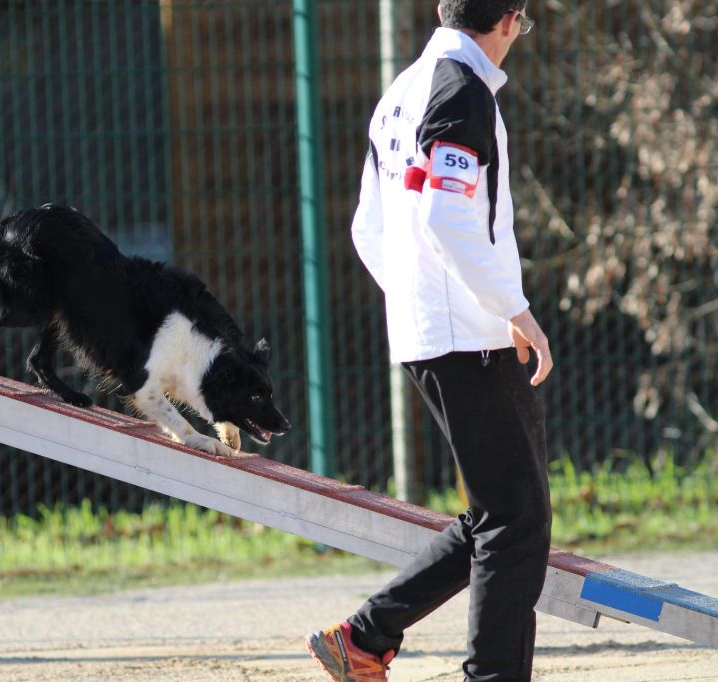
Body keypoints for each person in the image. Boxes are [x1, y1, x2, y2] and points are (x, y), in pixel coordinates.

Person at [306, 2, 553, 681]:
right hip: (468, 336)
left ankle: (364, 637)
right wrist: (511, 308)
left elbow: (369, 228)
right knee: (515, 521)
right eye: (521, 27)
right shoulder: (458, 87)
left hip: (436, 331)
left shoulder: (401, 93)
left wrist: (421, 301)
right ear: (507, 19)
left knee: (499, 512)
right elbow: (448, 213)